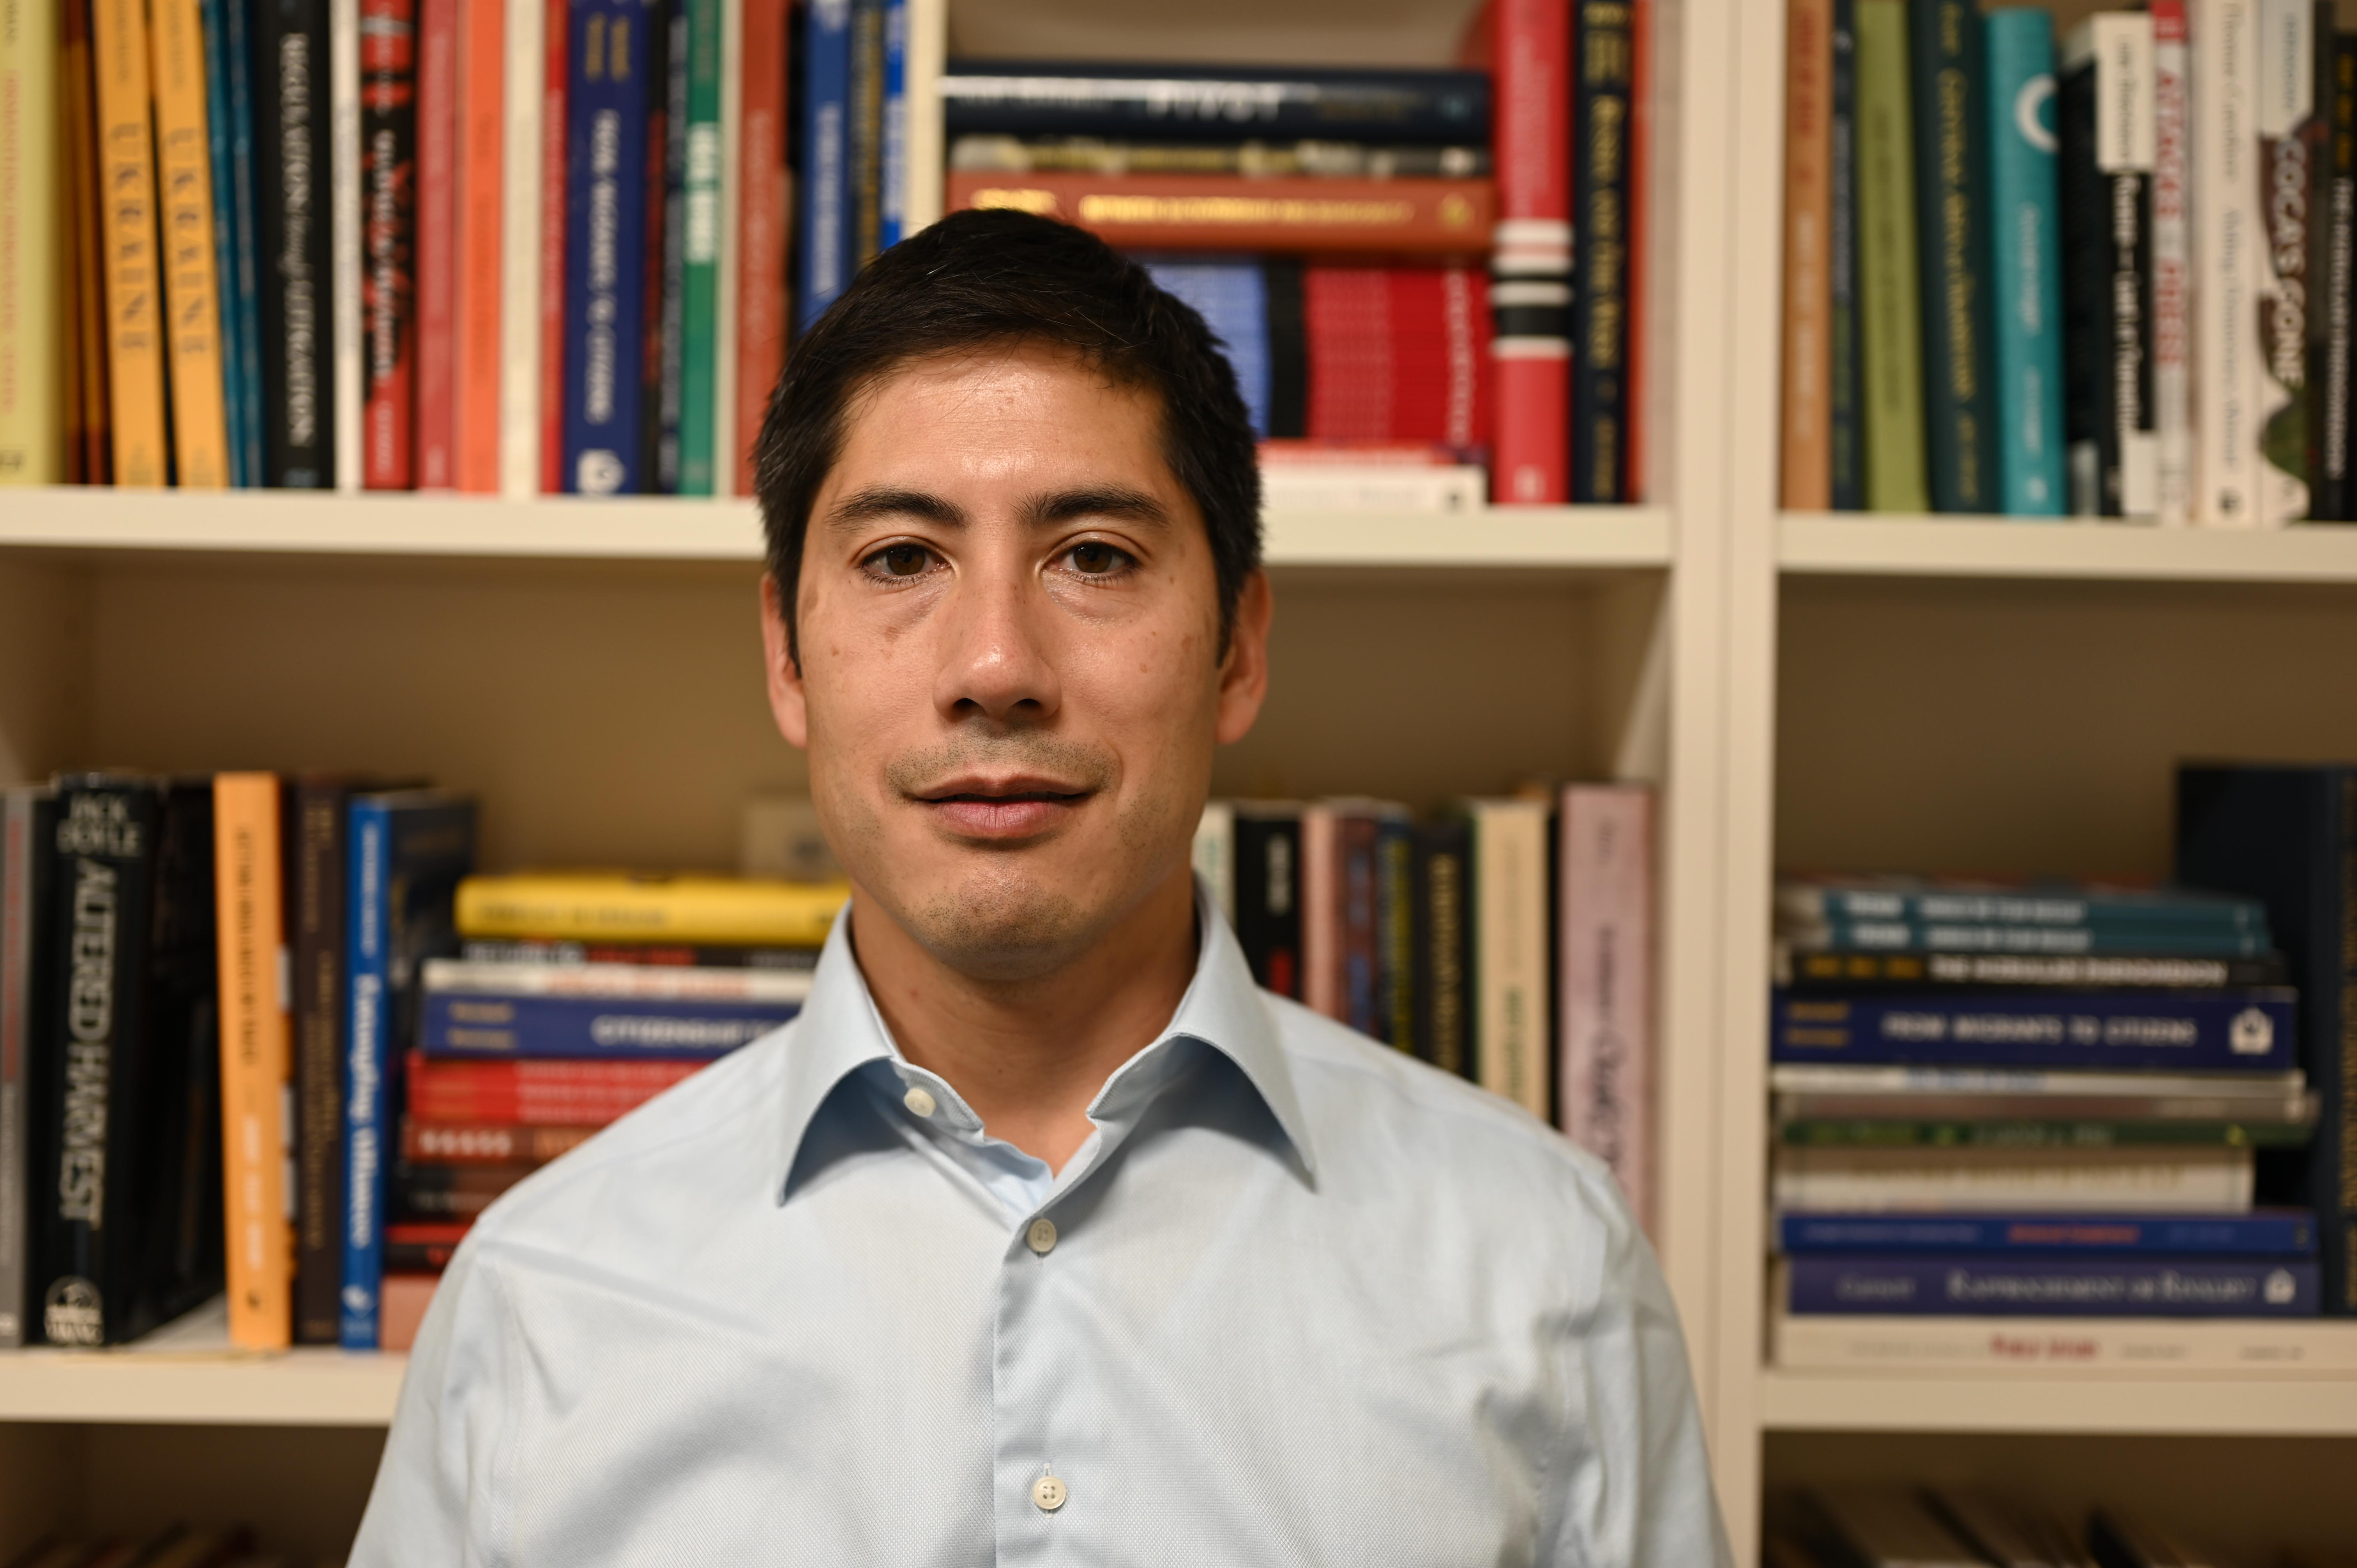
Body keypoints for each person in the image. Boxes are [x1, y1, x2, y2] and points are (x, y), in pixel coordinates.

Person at [351, 208, 1731, 1565]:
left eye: (1095, 557)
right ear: (786, 655)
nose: (996, 666)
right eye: (902, 559)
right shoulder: (540, 1303)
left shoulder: (1546, 1264)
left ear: (1238, 649)